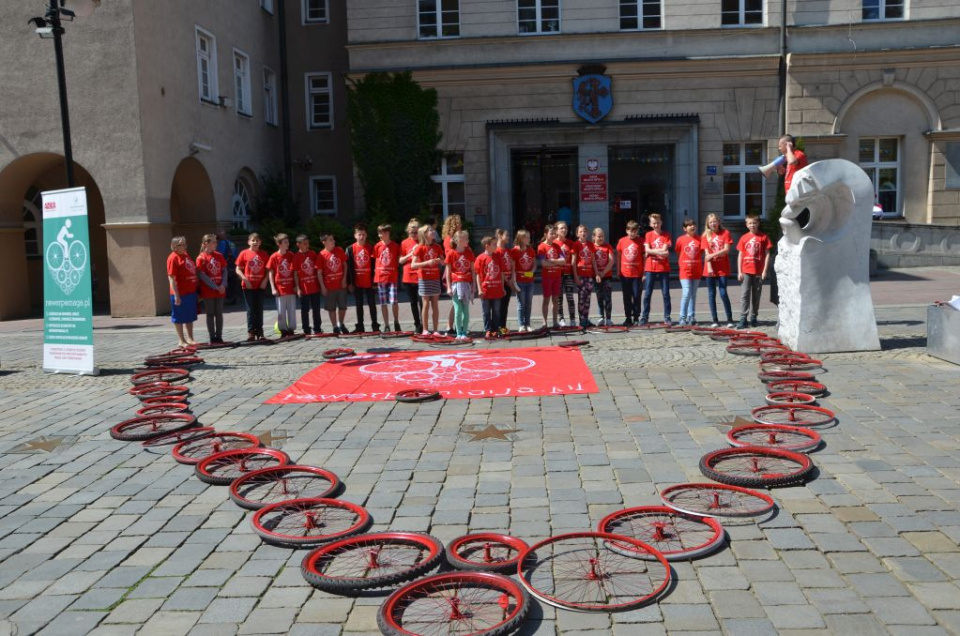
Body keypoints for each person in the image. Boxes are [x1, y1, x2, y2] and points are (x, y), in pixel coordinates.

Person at [737, 214, 773, 329]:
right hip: (746, 270)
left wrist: (764, 270)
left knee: (756, 295)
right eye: (750, 223)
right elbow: (740, 255)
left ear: (758, 224)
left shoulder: (763, 237)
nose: (752, 225)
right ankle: (743, 317)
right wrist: (739, 271)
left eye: (754, 223)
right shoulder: (744, 238)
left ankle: (754, 316)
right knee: (745, 294)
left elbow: (767, 254)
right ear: (746, 225)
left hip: (758, 271)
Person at [701, 213, 735, 328]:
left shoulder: (725, 233)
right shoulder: (705, 235)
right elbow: (706, 254)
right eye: (710, 222)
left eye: (714, 221)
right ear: (708, 224)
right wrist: (709, 266)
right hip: (710, 268)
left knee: (723, 292)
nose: (713, 224)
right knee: (711, 294)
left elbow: (726, 250)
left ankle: (729, 319)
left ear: (719, 222)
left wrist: (712, 255)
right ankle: (715, 319)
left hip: (722, 267)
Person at [411, 225, 445, 335]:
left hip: (435, 278)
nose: (433, 231)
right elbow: (413, 265)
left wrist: (440, 261)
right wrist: (427, 263)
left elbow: (443, 262)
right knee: (425, 303)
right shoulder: (420, 247)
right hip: (424, 279)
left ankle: (435, 330)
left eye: (432, 230)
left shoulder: (437, 247)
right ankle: (425, 329)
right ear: (424, 234)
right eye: (430, 230)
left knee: (435, 304)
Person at [235, 233, 270, 341]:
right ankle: (251, 332)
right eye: (253, 240)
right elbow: (238, 269)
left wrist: (265, 281)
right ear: (249, 242)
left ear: (260, 242)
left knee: (259, 309)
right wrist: (245, 279)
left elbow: (269, 270)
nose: (255, 242)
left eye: (257, 240)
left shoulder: (264, 254)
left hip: (260, 286)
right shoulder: (244, 253)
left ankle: (260, 332)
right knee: (250, 310)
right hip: (248, 287)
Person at [346, 223, 380, 333]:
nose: (362, 237)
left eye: (364, 234)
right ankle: (360, 326)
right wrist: (349, 283)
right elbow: (348, 268)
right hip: (357, 282)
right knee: (359, 305)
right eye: (359, 234)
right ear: (355, 235)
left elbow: (376, 265)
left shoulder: (371, 248)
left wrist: (375, 282)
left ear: (366, 235)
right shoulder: (350, 249)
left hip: (369, 282)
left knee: (372, 304)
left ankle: (375, 325)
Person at [640, 213, 672, 326]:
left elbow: (664, 252)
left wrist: (653, 251)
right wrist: (660, 252)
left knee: (666, 293)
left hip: (663, 268)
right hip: (650, 268)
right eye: (653, 223)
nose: (656, 225)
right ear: (650, 224)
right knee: (648, 293)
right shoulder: (648, 235)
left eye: (658, 222)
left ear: (661, 222)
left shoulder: (666, 235)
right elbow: (648, 250)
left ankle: (667, 317)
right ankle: (644, 316)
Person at [167, 236, 198, 347]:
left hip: (190, 292)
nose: (185, 246)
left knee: (189, 316)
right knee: (179, 317)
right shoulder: (173, 258)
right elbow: (171, 278)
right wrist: (176, 295)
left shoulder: (185, 255)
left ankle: (190, 338)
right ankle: (181, 340)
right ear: (175, 246)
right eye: (182, 244)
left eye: (185, 244)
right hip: (180, 293)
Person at [196, 234, 227, 343]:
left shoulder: (219, 255)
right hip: (209, 291)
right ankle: (212, 336)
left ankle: (219, 336)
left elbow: (224, 270)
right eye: (213, 242)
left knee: (219, 313)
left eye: (216, 242)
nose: (216, 244)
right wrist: (215, 287)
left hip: (220, 289)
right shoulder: (201, 258)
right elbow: (202, 275)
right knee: (210, 313)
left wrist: (223, 284)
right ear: (206, 244)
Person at [445, 229, 475, 340]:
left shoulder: (469, 253)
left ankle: (464, 332)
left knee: (465, 310)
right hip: (455, 285)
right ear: (459, 241)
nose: (468, 240)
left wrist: (474, 287)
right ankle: (458, 333)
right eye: (466, 238)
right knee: (458, 309)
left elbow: (473, 271)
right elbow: (447, 272)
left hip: (466, 284)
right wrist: (448, 287)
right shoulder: (451, 253)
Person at [267, 233, 298, 338]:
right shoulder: (274, 257)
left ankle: (291, 329)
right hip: (280, 289)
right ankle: (283, 329)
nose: (287, 244)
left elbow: (294, 271)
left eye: (288, 241)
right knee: (281, 311)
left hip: (290, 288)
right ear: (279, 244)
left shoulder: (291, 255)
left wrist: (296, 285)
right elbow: (271, 273)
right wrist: (273, 288)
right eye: (285, 242)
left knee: (292, 310)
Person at [475, 235, 505, 338]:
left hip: (497, 289)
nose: (496, 246)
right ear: (487, 246)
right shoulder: (480, 258)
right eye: (494, 244)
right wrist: (479, 289)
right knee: (486, 311)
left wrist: (502, 287)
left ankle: (495, 329)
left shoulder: (498, 257)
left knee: (496, 311)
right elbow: (478, 275)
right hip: (485, 290)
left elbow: (501, 273)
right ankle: (488, 329)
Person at [374, 224, 402, 332]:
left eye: (386, 232)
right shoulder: (377, 246)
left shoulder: (395, 246)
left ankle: (396, 321)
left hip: (392, 277)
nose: (383, 234)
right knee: (383, 302)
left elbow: (398, 259)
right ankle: (386, 324)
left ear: (389, 233)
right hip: (381, 277)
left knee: (394, 301)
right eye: (381, 232)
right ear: (379, 234)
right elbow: (376, 260)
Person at [318, 234, 348, 334]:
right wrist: (322, 286)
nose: (333, 241)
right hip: (329, 286)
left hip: (340, 285)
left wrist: (344, 279)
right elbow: (319, 272)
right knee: (331, 308)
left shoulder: (339, 250)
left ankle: (341, 324)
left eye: (333, 239)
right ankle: (335, 326)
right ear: (324, 242)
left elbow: (345, 265)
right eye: (330, 240)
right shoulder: (321, 254)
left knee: (343, 306)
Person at [675, 219, 703, 326]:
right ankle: (682, 317)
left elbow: (700, 253)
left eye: (693, 225)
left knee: (693, 294)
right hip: (685, 271)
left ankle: (691, 316)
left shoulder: (700, 239)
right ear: (684, 228)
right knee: (686, 293)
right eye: (689, 225)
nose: (692, 227)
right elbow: (678, 252)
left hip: (696, 270)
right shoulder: (680, 240)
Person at [294, 234, 323, 335]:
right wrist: (298, 288)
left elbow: (317, 269)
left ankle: (317, 328)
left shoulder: (312, 254)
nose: (307, 245)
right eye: (305, 244)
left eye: (308, 243)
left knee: (316, 309)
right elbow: (296, 274)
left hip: (314, 287)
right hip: (304, 289)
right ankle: (306, 329)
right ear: (298, 245)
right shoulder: (296, 257)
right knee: (304, 310)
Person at [398, 219, 423, 334]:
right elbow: (401, 261)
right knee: (413, 302)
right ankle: (417, 324)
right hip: (408, 276)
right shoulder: (404, 243)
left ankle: (424, 324)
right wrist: (410, 253)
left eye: (416, 232)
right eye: (412, 233)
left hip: (420, 275)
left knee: (421, 301)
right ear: (408, 232)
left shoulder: (423, 242)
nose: (414, 235)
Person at [617, 220, 644, 326]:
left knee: (636, 295)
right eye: (630, 230)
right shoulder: (622, 241)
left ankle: (636, 316)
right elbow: (618, 256)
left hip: (637, 274)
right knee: (626, 296)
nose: (632, 233)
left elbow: (644, 257)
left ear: (637, 231)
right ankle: (628, 317)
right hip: (625, 274)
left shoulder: (641, 241)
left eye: (635, 231)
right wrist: (618, 270)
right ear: (627, 230)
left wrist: (644, 272)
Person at [538, 224, 565, 328]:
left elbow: (563, 261)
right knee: (546, 299)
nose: (554, 235)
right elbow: (543, 263)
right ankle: (544, 321)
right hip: (547, 277)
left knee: (555, 300)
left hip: (557, 276)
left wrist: (553, 261)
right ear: (545, 234)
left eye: (554, 233)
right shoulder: (541, 246)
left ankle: (555, 321)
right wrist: (557, 262)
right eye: (551, 233)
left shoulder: (557, 246)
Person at [510, 229, 537, 332]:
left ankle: (528, 324)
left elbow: (534, 263)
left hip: (530, 281)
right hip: (520, 280)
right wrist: (513, 281)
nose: (529, 239)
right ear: (521, 238)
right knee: (521, 303)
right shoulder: (515, 251)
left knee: (528, 302)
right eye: (527, 237)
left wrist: (533, 271)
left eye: (529, 237)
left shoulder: (531, 250)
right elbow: (513, 268)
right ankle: (521, 324)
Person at [571, 224, 597, 328]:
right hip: (580, 274)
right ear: (577, 234)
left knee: (588, 298)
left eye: (585, 231)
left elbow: (593, 260)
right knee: (581, 298)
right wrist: (576, 276)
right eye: (581, 231)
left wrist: (597, 273)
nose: (583, 233)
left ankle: (586, 318)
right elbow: (573, 262)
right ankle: (581, 319)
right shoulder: (576, 245)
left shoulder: (591, 244)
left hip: (589, 275)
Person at [441, 214, 463, 335]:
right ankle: (450, 326)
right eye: (459, 223)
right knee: (456, 301)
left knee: (457, 301)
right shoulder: (449, 239)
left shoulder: (458, 238)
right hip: (454, 272)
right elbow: (451, 255)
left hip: (459, 271)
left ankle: (452, 326)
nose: (461, 225)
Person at [554, 221, 577, 327]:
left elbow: (573, 260)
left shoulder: (570, 243)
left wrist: (575, 274)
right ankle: (561, 319)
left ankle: (572, 319)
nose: (564, 230)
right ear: (556, 230)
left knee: (570, 297)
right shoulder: (553, 243)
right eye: (561, 228)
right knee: (559, 298)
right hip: (557, 274)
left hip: (568, 274)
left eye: (566, 228)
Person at [495, 229, 518, 334]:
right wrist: (507, 281)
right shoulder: (496, 251)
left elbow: (513, 265)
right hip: (500, 282)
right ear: (500, 236)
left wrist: (512, 279)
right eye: (506, 235)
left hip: (509, 280)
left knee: (505, 305)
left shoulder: (508, 251)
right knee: (498, 306)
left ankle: (503, 326)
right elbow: (499, 268)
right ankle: (497, 327)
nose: (508, 237)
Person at [593, 228, 615, 326]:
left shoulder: (608, 246)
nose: (601, 238)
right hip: (596, 276)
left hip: (607, 276)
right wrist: (597, 274)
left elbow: (611, 261)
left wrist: (603, 273)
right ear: (594, 237)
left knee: (608, 297)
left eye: (602, 236)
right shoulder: (592, 247)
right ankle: (601, 316)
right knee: (599, 297)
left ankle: (609, 318)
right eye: (599, 236)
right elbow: (592, 262)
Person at [216, 230, 238, 304]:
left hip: (226, 265)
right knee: (233, 282)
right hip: (233, 265)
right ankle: (233, 298)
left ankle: (228, 299)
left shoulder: (222, 243)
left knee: (226, 281)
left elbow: (220, 255)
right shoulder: (232, 243)